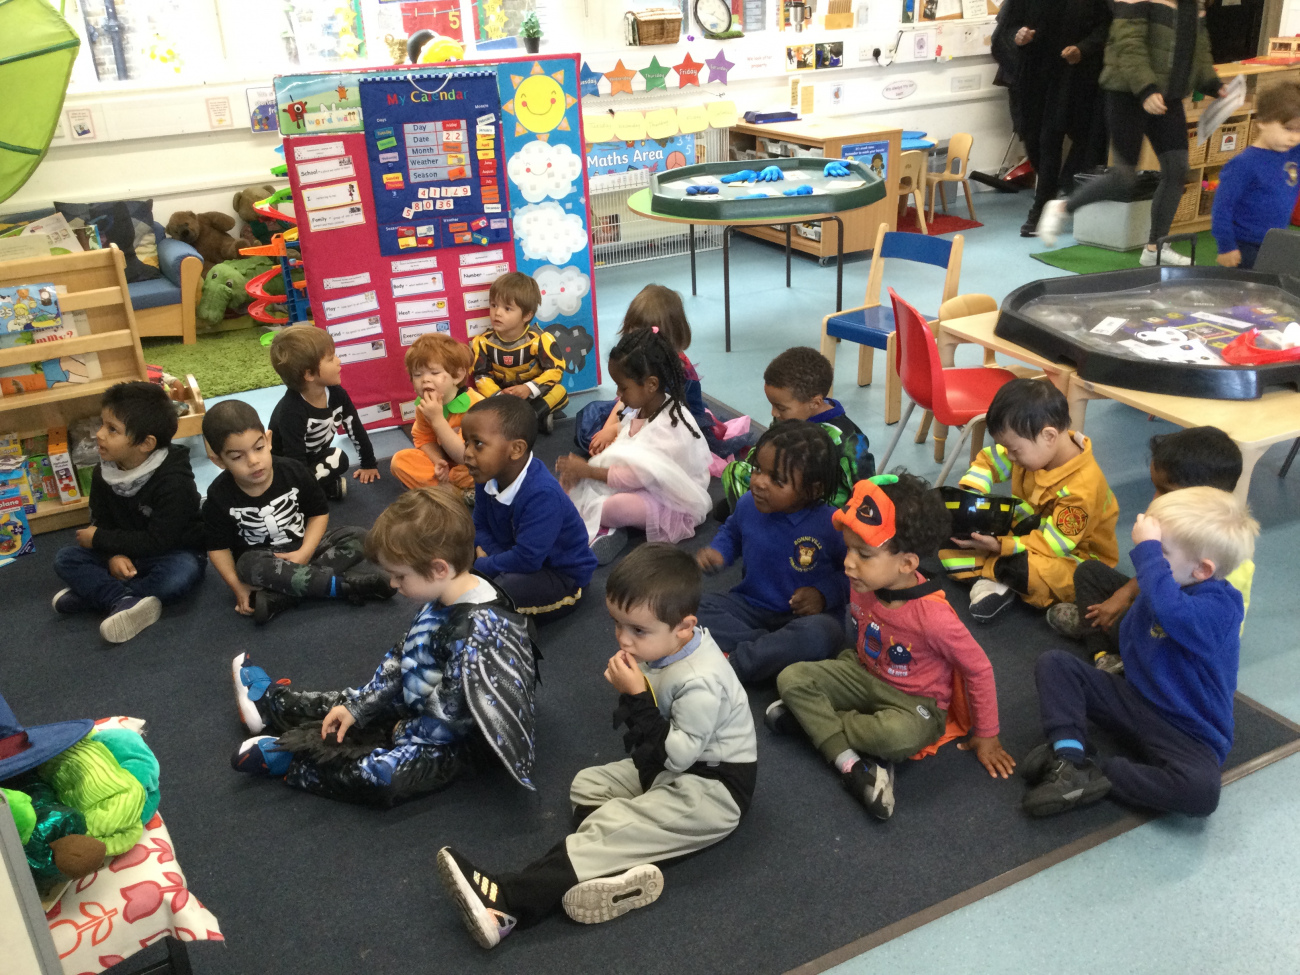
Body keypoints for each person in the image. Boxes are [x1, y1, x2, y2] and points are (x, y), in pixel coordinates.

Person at [436, 544, 755, 947]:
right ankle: (616, 862)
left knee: (609, 825)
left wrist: (636, 696)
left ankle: (506, 906)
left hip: (713, 790)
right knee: (587, 787)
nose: (623, 639)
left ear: (684, 627)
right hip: (677, 768)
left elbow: (676, 756)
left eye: (638, 631)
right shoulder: (668, 645)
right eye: (617, 624)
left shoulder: (700, 681)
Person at [229, 487, 538, 807]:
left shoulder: (479, 635)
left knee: (384, 777)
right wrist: (359, 707)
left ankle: (293, 762)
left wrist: (397, 732)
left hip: (456, 740)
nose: (392, 584)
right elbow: (402, 656)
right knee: (347, 703)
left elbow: (449, 720)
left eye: (400, 576)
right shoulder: (443, 592)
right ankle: (270, 705)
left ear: (439, 569)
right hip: (421, 701)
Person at [769, 475, 1015, 820]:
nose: (848, 562)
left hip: (914, 704)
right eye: (849, 549)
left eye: (864, 554)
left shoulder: (934, 618)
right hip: (862, 672)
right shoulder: (863, 583)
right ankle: (843, 752)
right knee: (792, 677)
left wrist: (988, 735)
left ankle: (816, 724)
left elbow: (979, 668)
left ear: (907, 564)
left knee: (897, 738)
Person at [1022, 486, 1258, 817]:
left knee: (1201, 792)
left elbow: (1173, 613)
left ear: (1202, 570)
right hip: (1135, 699)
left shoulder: (1221, 608)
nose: (1147, 560)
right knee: (1055, 664)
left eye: (1159, 552)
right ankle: (1070, 756)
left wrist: (1148, 553)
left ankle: (1100, 774)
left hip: (1186, 731)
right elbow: (1145, 617)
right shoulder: (1170, 583)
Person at [1037, 0, 1228, 266]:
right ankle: (1061, 207)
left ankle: (1155, 248)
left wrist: (1213, 84)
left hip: (1168, 96)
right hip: (1126, 92)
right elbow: (1129, 45)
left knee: (1177, 169)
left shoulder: (1192, 5)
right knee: (1124, 176)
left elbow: (1199, 48)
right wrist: (1146, 89)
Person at [1047, 426, 1253, 672]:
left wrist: (1131, 598)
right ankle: (1101, 640)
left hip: (1174, 636)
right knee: (1089, 572)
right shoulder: (1181, 526)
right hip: (1157, 601)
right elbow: (1160, 574)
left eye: (1165, 492)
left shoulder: (1224, 556)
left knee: (1133, 618)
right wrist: (1124, 593)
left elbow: (1180, 616)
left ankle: (1095, 630)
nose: (1155, 500)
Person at [940, 378, 1118, 622]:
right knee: (950, 544)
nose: (1010, 456)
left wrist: (1000, 546)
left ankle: (995, 576)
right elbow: (989, 460)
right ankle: (1000, 579)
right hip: (1025, 535)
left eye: (1014, 450)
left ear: (1049, 436)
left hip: (1073, 557)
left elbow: (1054, 545)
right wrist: (972, 494)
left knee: (1032, 571)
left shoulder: (1082, 487)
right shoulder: (1031, 446)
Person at [202, 399, 392, 625]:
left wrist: (305, 552)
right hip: (265, 562)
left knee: (360, 537)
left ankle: (281, 597)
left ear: (268, 440)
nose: (253, 461)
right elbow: (218, 548)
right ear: (219, 461)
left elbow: (318, 513)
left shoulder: (293, 470)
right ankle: (342, 587)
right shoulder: (218, 495)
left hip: (305, 547)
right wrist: (237, 586)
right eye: (237, 457)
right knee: (246, 564)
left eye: (258, 448)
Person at [51, 381, 206, 643]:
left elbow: (160, 541)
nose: (99, 434)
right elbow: (101, 521)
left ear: (146, 443)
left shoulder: (174, 481)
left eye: (112, 429)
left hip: (171, 552)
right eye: (102, 425)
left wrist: (100, 540)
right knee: (65, 558)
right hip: (125, 553)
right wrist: (113, 555)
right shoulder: (104, 472)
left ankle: (100, 594)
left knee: (180, 575)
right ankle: (121, 599)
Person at [696, 422, 848, 682]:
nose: (758, 483)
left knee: (822, 634)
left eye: (777, 480)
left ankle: (737, 663)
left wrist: (824, 595)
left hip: (806, 617)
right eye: (757, 469)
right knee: (691, 607)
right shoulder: (747, 504)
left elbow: (854, 575)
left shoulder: (833, 524)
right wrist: (720, 552)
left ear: (814, 490)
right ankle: (769, 651)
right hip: (749, 605)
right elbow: (732, 533)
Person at [556, 328, 712, 566]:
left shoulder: (668, 426)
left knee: (616, 506)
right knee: (573, 485)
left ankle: (607, 529)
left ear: (651, 384)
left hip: (672, 502)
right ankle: (605, 524)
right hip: (645, 485)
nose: (618, 394)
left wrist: (589, 471)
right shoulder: (644, 407)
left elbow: (635, 477)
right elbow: (630, 449)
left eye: (623, 387)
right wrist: (586, 472)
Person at [462, 396, 596, 625]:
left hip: (560, 577)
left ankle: (510, 625)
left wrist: (485, 564)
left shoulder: (542, 494)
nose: (467, 453)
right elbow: (479, 526)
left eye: (478, 444)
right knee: (452, 548)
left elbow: (527, 560)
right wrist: (494, 557)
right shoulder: (486, 476)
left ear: (516, 449)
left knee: (502, 589)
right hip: (512, 555)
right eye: (466, 443)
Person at [575, 284, 744, 458]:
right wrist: (608, 429)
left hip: (670, 425)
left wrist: (615, 431)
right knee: (591, 416)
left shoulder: (675, 373)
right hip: (640, 411)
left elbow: (657, 420)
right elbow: (624, 401)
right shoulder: (641, 361)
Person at [992, 0, 1112, 235]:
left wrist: (1083, 49)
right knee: (1032, 138)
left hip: (1074, 74)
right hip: (1032, 72)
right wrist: (1018, 36)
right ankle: (1053, 192)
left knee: (1051, 138)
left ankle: (1041, 207)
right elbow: (1006, 27)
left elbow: (1106, 25)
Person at [719, 345, 874, 519]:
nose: (774, 413)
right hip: (784, 484)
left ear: (815, 403)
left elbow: (865, 489)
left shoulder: (847, 439)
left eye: (781, 408)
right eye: (772, 405)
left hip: (819, 509)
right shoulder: (787, 418)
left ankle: (760, 522)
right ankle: (749, 518)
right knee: (734, 471)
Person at [267, 324, 379, 501]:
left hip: (314, 460)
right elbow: (294, 459)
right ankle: (307, 492)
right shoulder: (291, 411)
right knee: (288, 478)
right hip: (285, 468)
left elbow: (355, 428)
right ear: (309, 374)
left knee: (339, 458)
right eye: (331, 358)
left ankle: (314, 489)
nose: (338, 361)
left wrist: (368, 463)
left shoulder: (337, 394)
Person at [1212, 82, 1300, 269]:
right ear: (1263, 122)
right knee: (1244, 287)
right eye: (1288, 128)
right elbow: (1222, 207)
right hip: (1245, 246)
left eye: (1299, 130)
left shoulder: (1293, 153)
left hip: (1276, 242)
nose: (1294, 137)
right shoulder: (1243, 164)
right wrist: (1226, 247)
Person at [470, 271, 568, 434]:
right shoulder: (482, 342)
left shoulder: (540, 340)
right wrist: (498, 395)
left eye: (507, 308)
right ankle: (531, 420)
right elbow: (481, 376)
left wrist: (528, 388)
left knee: (560, 392)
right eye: (494, 305)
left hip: (533, 395)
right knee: (473, 398)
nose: (497, 313)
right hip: (502, 397)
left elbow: (555, 370)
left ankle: (530, 416)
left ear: (527, 315)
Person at [389, 332, 484, 500]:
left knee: (481, 469)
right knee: (400, 461)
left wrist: (437, 419)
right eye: (417, 375)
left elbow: (465, 456)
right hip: (447, 462)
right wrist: (438, 461)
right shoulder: (424, 405)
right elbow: (423, 439)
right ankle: (453, 492)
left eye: (434, 373)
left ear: (458, 376)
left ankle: (444, 491)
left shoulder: (475, 406)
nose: (425, 380)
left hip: (469, 461)